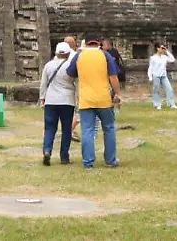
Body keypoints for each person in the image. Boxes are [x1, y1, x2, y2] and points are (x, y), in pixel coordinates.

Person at [66, 38, 123, 169]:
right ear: (99, 44)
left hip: (86, 99)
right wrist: (118, 93)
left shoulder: (79, 55)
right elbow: (113, 76)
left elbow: (70, 73)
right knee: (109, 128)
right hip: (104, 98)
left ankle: (88, 161)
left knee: (87, 131)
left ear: (85, 44)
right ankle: (110, 159)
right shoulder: (104, 54)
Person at [40, 42, 77, 165]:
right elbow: (76, 83)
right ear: (67, 54)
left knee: (50, 128)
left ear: (55, 53)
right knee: (66, 129)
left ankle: (47, 150)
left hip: (51, 100)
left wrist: (42, 98)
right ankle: (64, 156)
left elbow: (43, 83)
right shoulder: (71, 66)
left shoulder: (48, 65)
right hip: (67, 100)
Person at [148, 43, 177, 110]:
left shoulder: (164, 57)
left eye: (163, 48)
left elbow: (172, 59)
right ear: (157, 48)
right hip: (156, 75)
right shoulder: (153, 58)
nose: (162, 49)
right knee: (157, 90)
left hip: (163, 76)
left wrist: (166, 51)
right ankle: (157, 104)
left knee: (169, 89)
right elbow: (150, 68)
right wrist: (150, 77)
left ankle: (172, 104)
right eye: (161, 48)